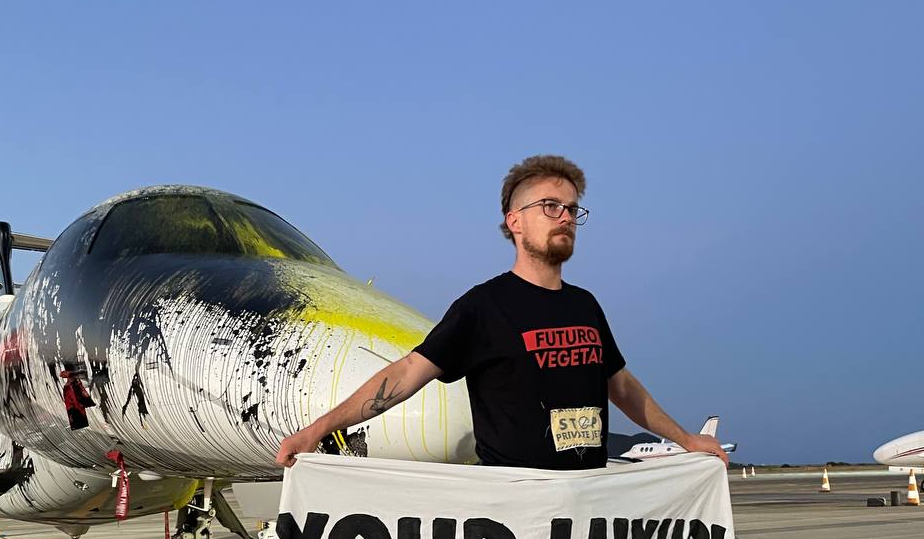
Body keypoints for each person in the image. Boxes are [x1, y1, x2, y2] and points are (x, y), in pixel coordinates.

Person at [276, 154, 727, 471]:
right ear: (514, 221)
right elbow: (406, 373)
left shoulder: (585, 306)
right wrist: (319, 428)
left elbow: (623, 387)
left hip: (589, 500)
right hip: (514, 505)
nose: (566, 217)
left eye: (572, 209)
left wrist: (686, 440)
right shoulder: (483, 307)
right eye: (551, 206)